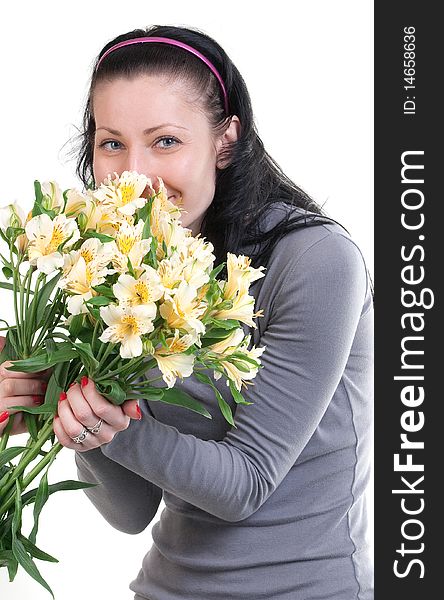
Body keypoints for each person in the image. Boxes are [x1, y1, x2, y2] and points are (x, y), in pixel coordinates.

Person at [0, 25, 374, 600]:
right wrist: (65, 414)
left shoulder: (315, 260)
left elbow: (243, 485)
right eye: (111, 143)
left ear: (225, 141)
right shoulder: (122, 274)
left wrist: (106, 425)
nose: (135, 173)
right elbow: (129, 513)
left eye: (166, 141)